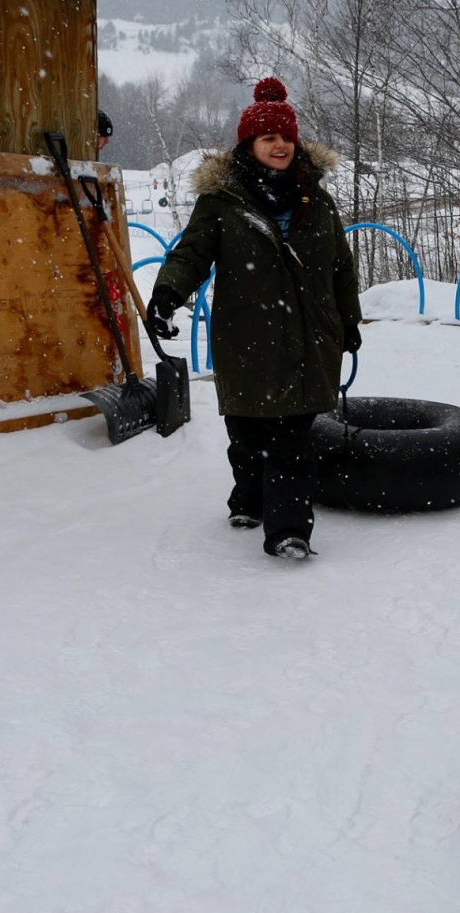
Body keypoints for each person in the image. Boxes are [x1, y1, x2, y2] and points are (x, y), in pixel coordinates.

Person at [148, 77, 362, 560]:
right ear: (249, 144)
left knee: (291, 441)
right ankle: (247, 498)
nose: (280, 146)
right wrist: (166, 295)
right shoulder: (222, 201)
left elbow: (341, 267)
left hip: (309, 338)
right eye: (268, 137)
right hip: (246, 336)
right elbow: (191, 254)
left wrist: (349, 322)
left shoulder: (317, 201)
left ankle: (288, 531)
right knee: (246, 434)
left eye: (286, 137)